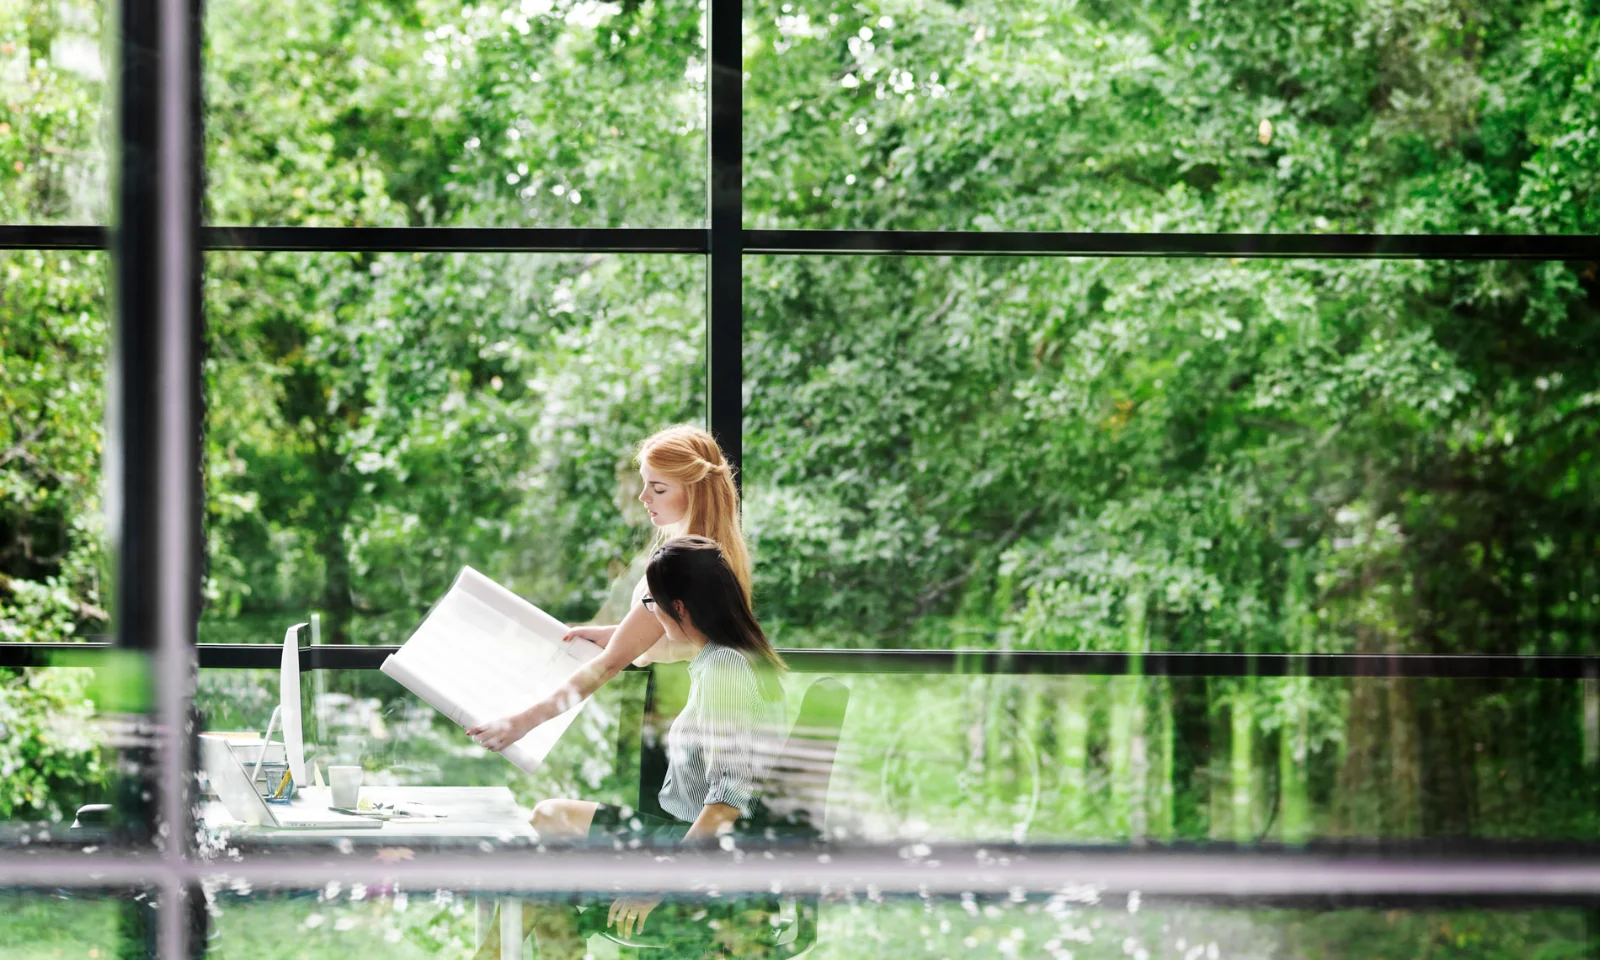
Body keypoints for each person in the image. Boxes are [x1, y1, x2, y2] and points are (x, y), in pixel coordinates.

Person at [470, 536, 789, 957]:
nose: (649, 613)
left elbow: (727, 803)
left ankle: (488, 956)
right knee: (551, 824)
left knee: (553, 854)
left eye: (650, 604)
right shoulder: (726, 657)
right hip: (684, 838)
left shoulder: (726, 668)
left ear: (679, 608)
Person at [466, 423, 751, 759]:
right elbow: (687, 632)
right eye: (645, 484)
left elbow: (609, 665)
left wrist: (520, 723)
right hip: (696, 711)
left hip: (680, 721)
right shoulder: (718, 553)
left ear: (695, 492)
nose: (644, 497)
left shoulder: (681, 565)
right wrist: (619, 632)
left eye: (658, 488)